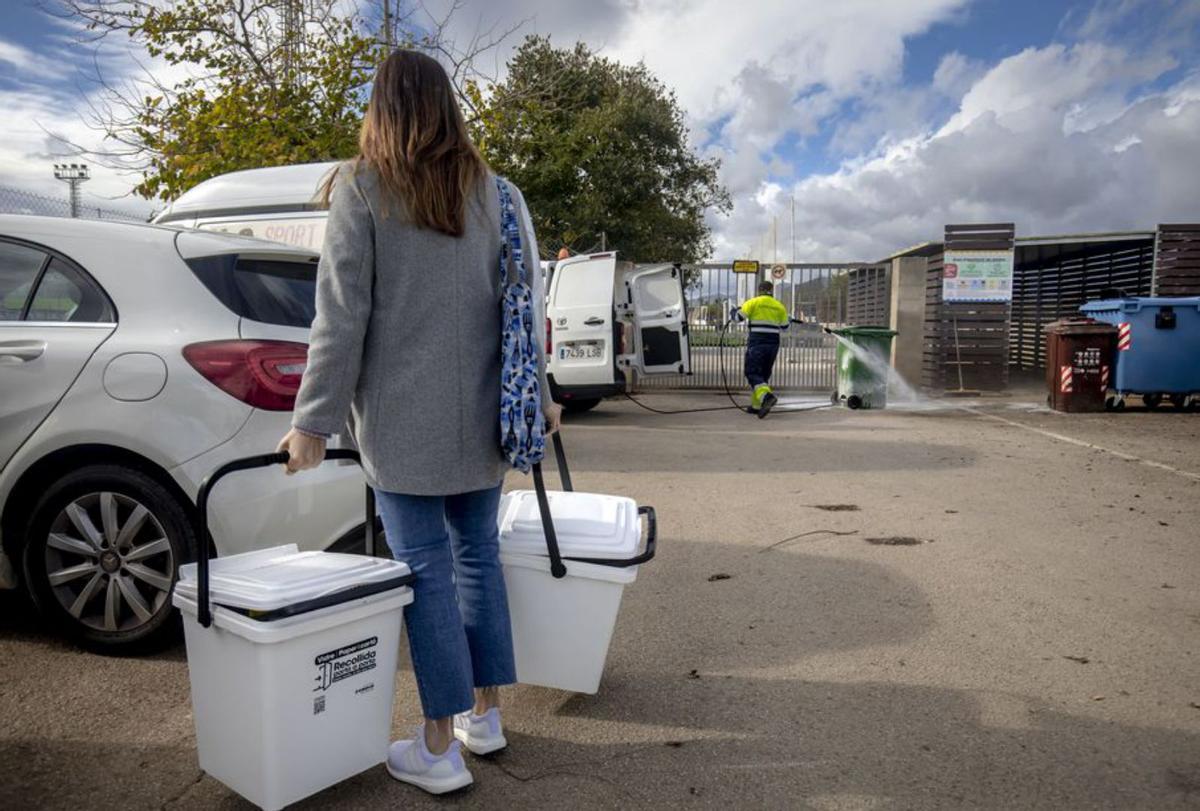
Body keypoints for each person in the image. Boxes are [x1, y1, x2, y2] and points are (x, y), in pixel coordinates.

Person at [276, 49, 561, 796]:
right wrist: (542, 394)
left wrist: (312, 421)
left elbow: (339, 317)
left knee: (427, 570)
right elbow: (523, 304)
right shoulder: (495, 192)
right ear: (447, 107)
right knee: (476, 559)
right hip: (483, 419)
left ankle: (437, 743)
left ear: (384, 107)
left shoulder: (363, 188)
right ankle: (484, 715)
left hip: (402, 427)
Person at [732, 280, 792, 418]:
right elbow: (785, 327)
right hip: (773, 344)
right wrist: (788, 319)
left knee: (752, 372)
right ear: (772, 291)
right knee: (763, 376)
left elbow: (737, 318)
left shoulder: (753, 302)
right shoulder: (779, 306)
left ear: (759, 290)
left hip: (757, 342)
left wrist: (733, 311)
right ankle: (756, 406)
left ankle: (767, 397)